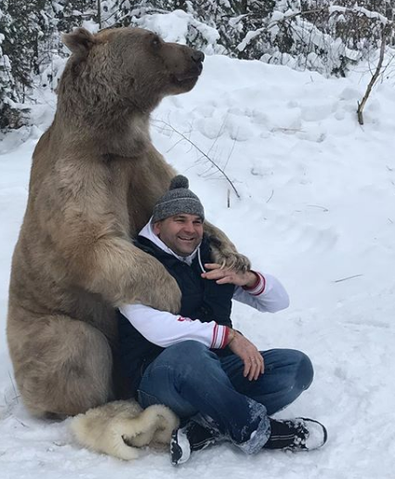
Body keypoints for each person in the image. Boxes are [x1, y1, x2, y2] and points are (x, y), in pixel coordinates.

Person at [118, 175, 327, 465]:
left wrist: (249, 278)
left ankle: (208, 424)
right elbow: (155, 328)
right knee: (189, 352)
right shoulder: (132, 263)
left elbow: (279, 301)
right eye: (180, 220)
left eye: (197, 221)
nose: (190, 230)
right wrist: (229, 337)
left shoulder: (208, 257)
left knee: (295, 368)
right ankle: (254, 430)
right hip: (160, 380)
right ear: (158, 226)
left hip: (212, 375)